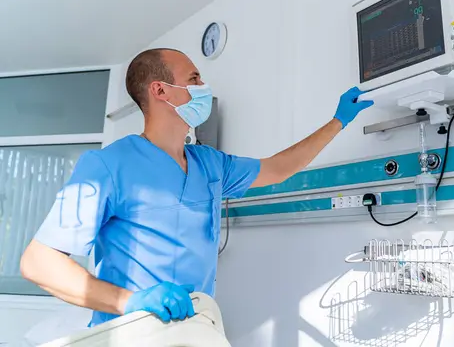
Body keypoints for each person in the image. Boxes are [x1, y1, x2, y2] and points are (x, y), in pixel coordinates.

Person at [20, 48, 373, 327]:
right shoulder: (106, 166)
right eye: (194, 78)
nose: (204, 86)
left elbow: (278, 169)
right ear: (160, 90)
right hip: (131, 331)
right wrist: (131, 301)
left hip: (194, 328)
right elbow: (39, 263)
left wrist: (337, 122)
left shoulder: (209, 163)